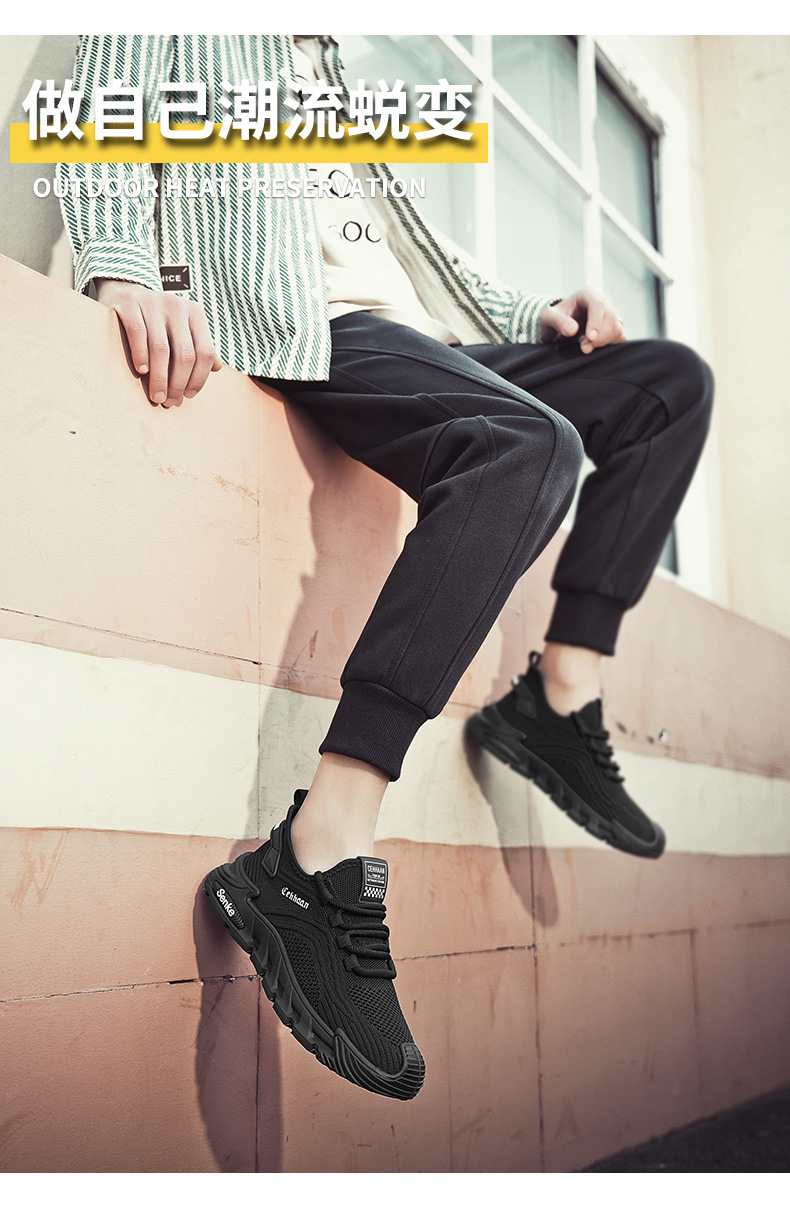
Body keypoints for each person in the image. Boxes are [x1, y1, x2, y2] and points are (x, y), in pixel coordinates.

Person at [58, 34, 713, 1101]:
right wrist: (127, 269)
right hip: (309, 327)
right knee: (527, 444)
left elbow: (402, 235)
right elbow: (101, 109)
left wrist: (529, 317)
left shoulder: (325, 59)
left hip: (423, 341)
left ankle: (559, 696)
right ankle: (315, 850)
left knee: (665, 383)